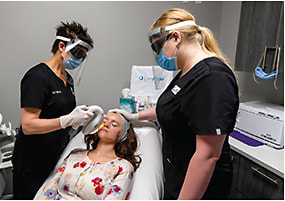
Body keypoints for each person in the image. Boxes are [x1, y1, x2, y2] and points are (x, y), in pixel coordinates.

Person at [111, 8, 239, 199]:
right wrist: (135, 116)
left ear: (176, 37)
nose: (157, 54)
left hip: (199, 189)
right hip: (177, 175)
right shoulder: (186, 72)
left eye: (157, 47)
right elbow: (171, 106)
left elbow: (208, 155)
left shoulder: (213, 77)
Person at [12, 21, 95, 199]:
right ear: (61, 46)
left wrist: (77, 122)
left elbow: (62, 112)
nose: (79, 59)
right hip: (32, 161)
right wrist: (66, 121)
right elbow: (28, 125)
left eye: (83, 56)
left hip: (55, 155)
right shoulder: (37, 77)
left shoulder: (67, 79)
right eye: (78, 53)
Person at [36, 112, 141, 200]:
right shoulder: (75, 155)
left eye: (114, 124)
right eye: (104, 121)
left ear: (122, 135)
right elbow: (50, 189)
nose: (107, 124)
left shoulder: (123, 168)